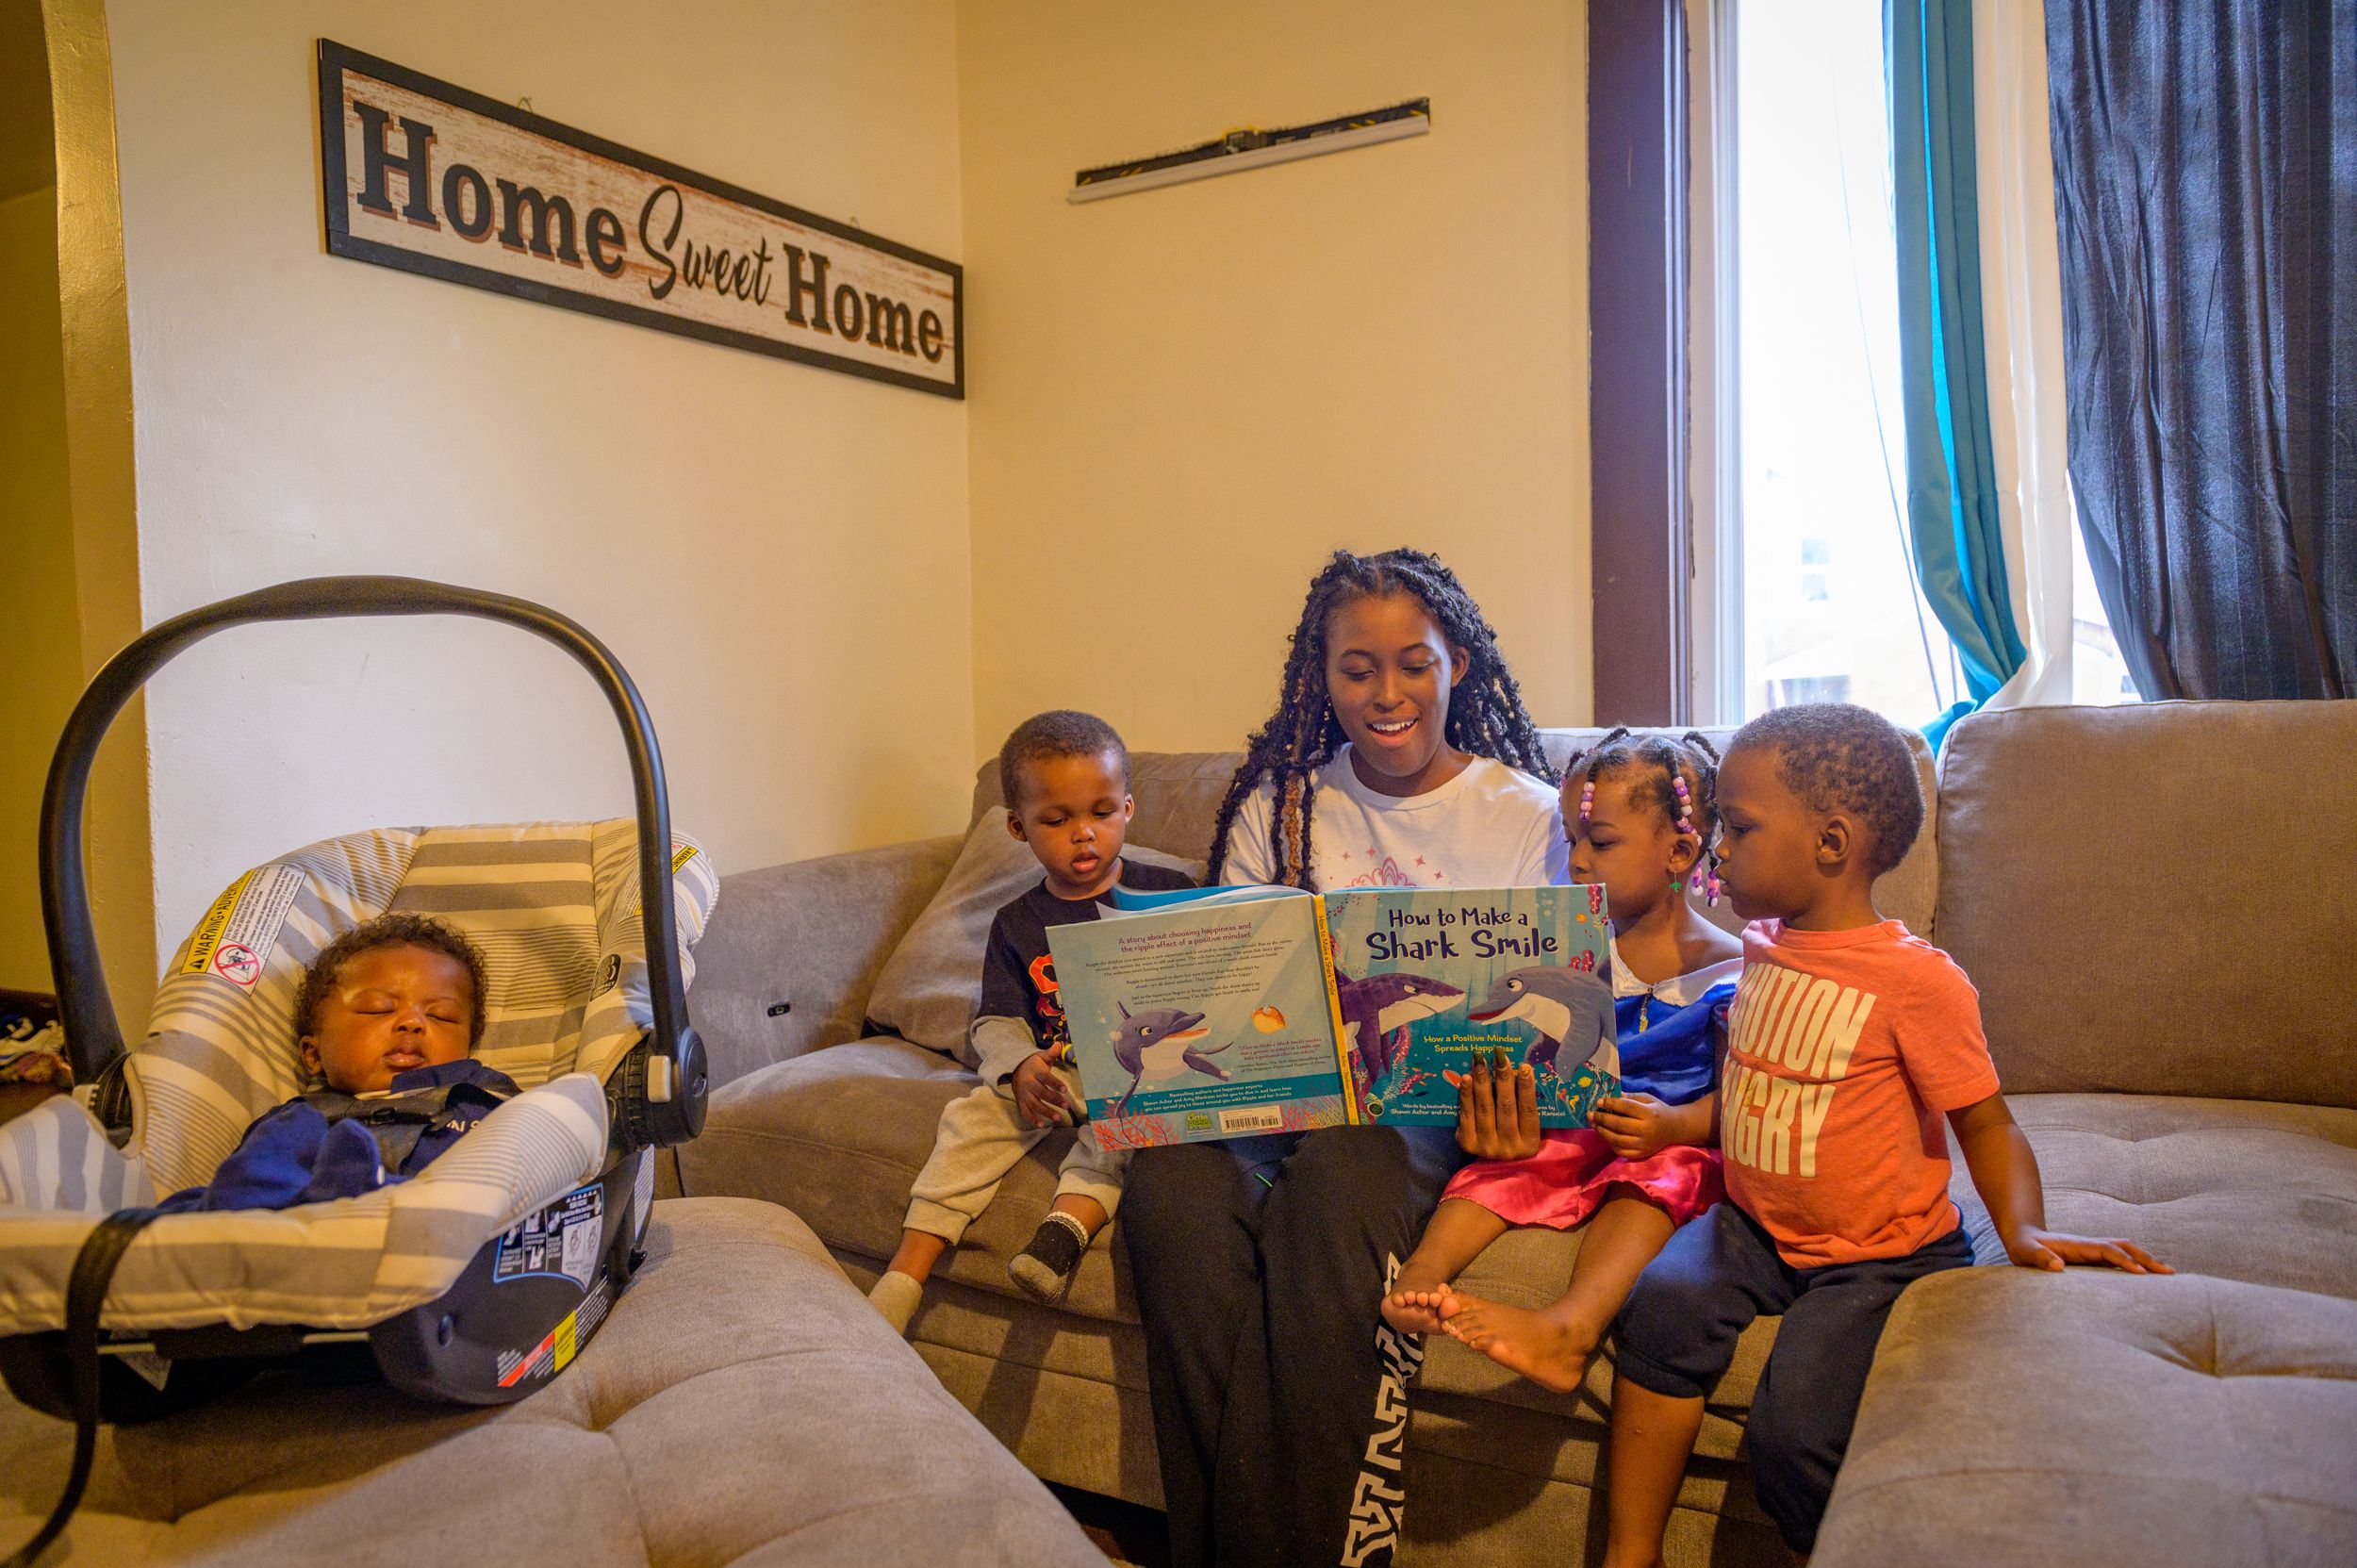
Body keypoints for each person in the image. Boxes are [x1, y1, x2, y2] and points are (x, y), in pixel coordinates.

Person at [1601, 703, 2170, 1566]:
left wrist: (2022, 1226)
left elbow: (1987, 1120)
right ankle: (1630, 1553)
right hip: (1753, 1229)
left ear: (1831, 844)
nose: (1717, 845)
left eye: (1740, 826)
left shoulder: (1916, 982)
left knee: (1793, 1429)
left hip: (1877, 1253)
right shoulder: (1761, 947)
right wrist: (1675, 1124)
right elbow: (1754, 1085)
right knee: (1659, 1307)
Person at [1120, 547, 1566, 1568]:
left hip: (1414, 1123)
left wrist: (1518, 1113)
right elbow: (1220, 995)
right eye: (1356, 668)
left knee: (1342, 1176)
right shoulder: (1278, 808)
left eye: (1413, 662)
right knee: (1169, 1192)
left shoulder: (1525, 818)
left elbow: (1564, 1014)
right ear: (1320, 676)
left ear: (1457, 660)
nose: (1387, 693)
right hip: (1269, 1106)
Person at [1382, 730, 1741, 1397]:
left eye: (1599, 842)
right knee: (1505, 1166)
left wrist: (1676, 1127)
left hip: (1660, 1139)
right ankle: (1423, 1272)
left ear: (1680, 850)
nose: (1575, 861)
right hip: (1569, 1123)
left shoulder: (1730, 968)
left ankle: (1569, 1329)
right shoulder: (1559, 950)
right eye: (1571, 839)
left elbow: (1740, 1102)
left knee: (1663, 1177)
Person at [867, 712, 1195, 1332]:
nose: (1084, 833)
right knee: (971, 1119)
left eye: (1101, 811)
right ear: (1019, 827)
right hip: (1057, 1072)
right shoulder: (1018, 921)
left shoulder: (1171, 891)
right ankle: (904, 1275)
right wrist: (1019, 1066)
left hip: (1142, 1070)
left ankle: (1062, 1232)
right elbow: (995, 1018)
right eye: (1057, 819)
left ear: (1128, 808)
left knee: (1134, 1119)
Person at [159, 913, 518, 1212]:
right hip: (312, 1239)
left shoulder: (486, 1095)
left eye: (441, 1016)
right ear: (313, 1055)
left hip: (452, 1224)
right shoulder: (298, 1123)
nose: (413, 1022)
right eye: (377, 1009)